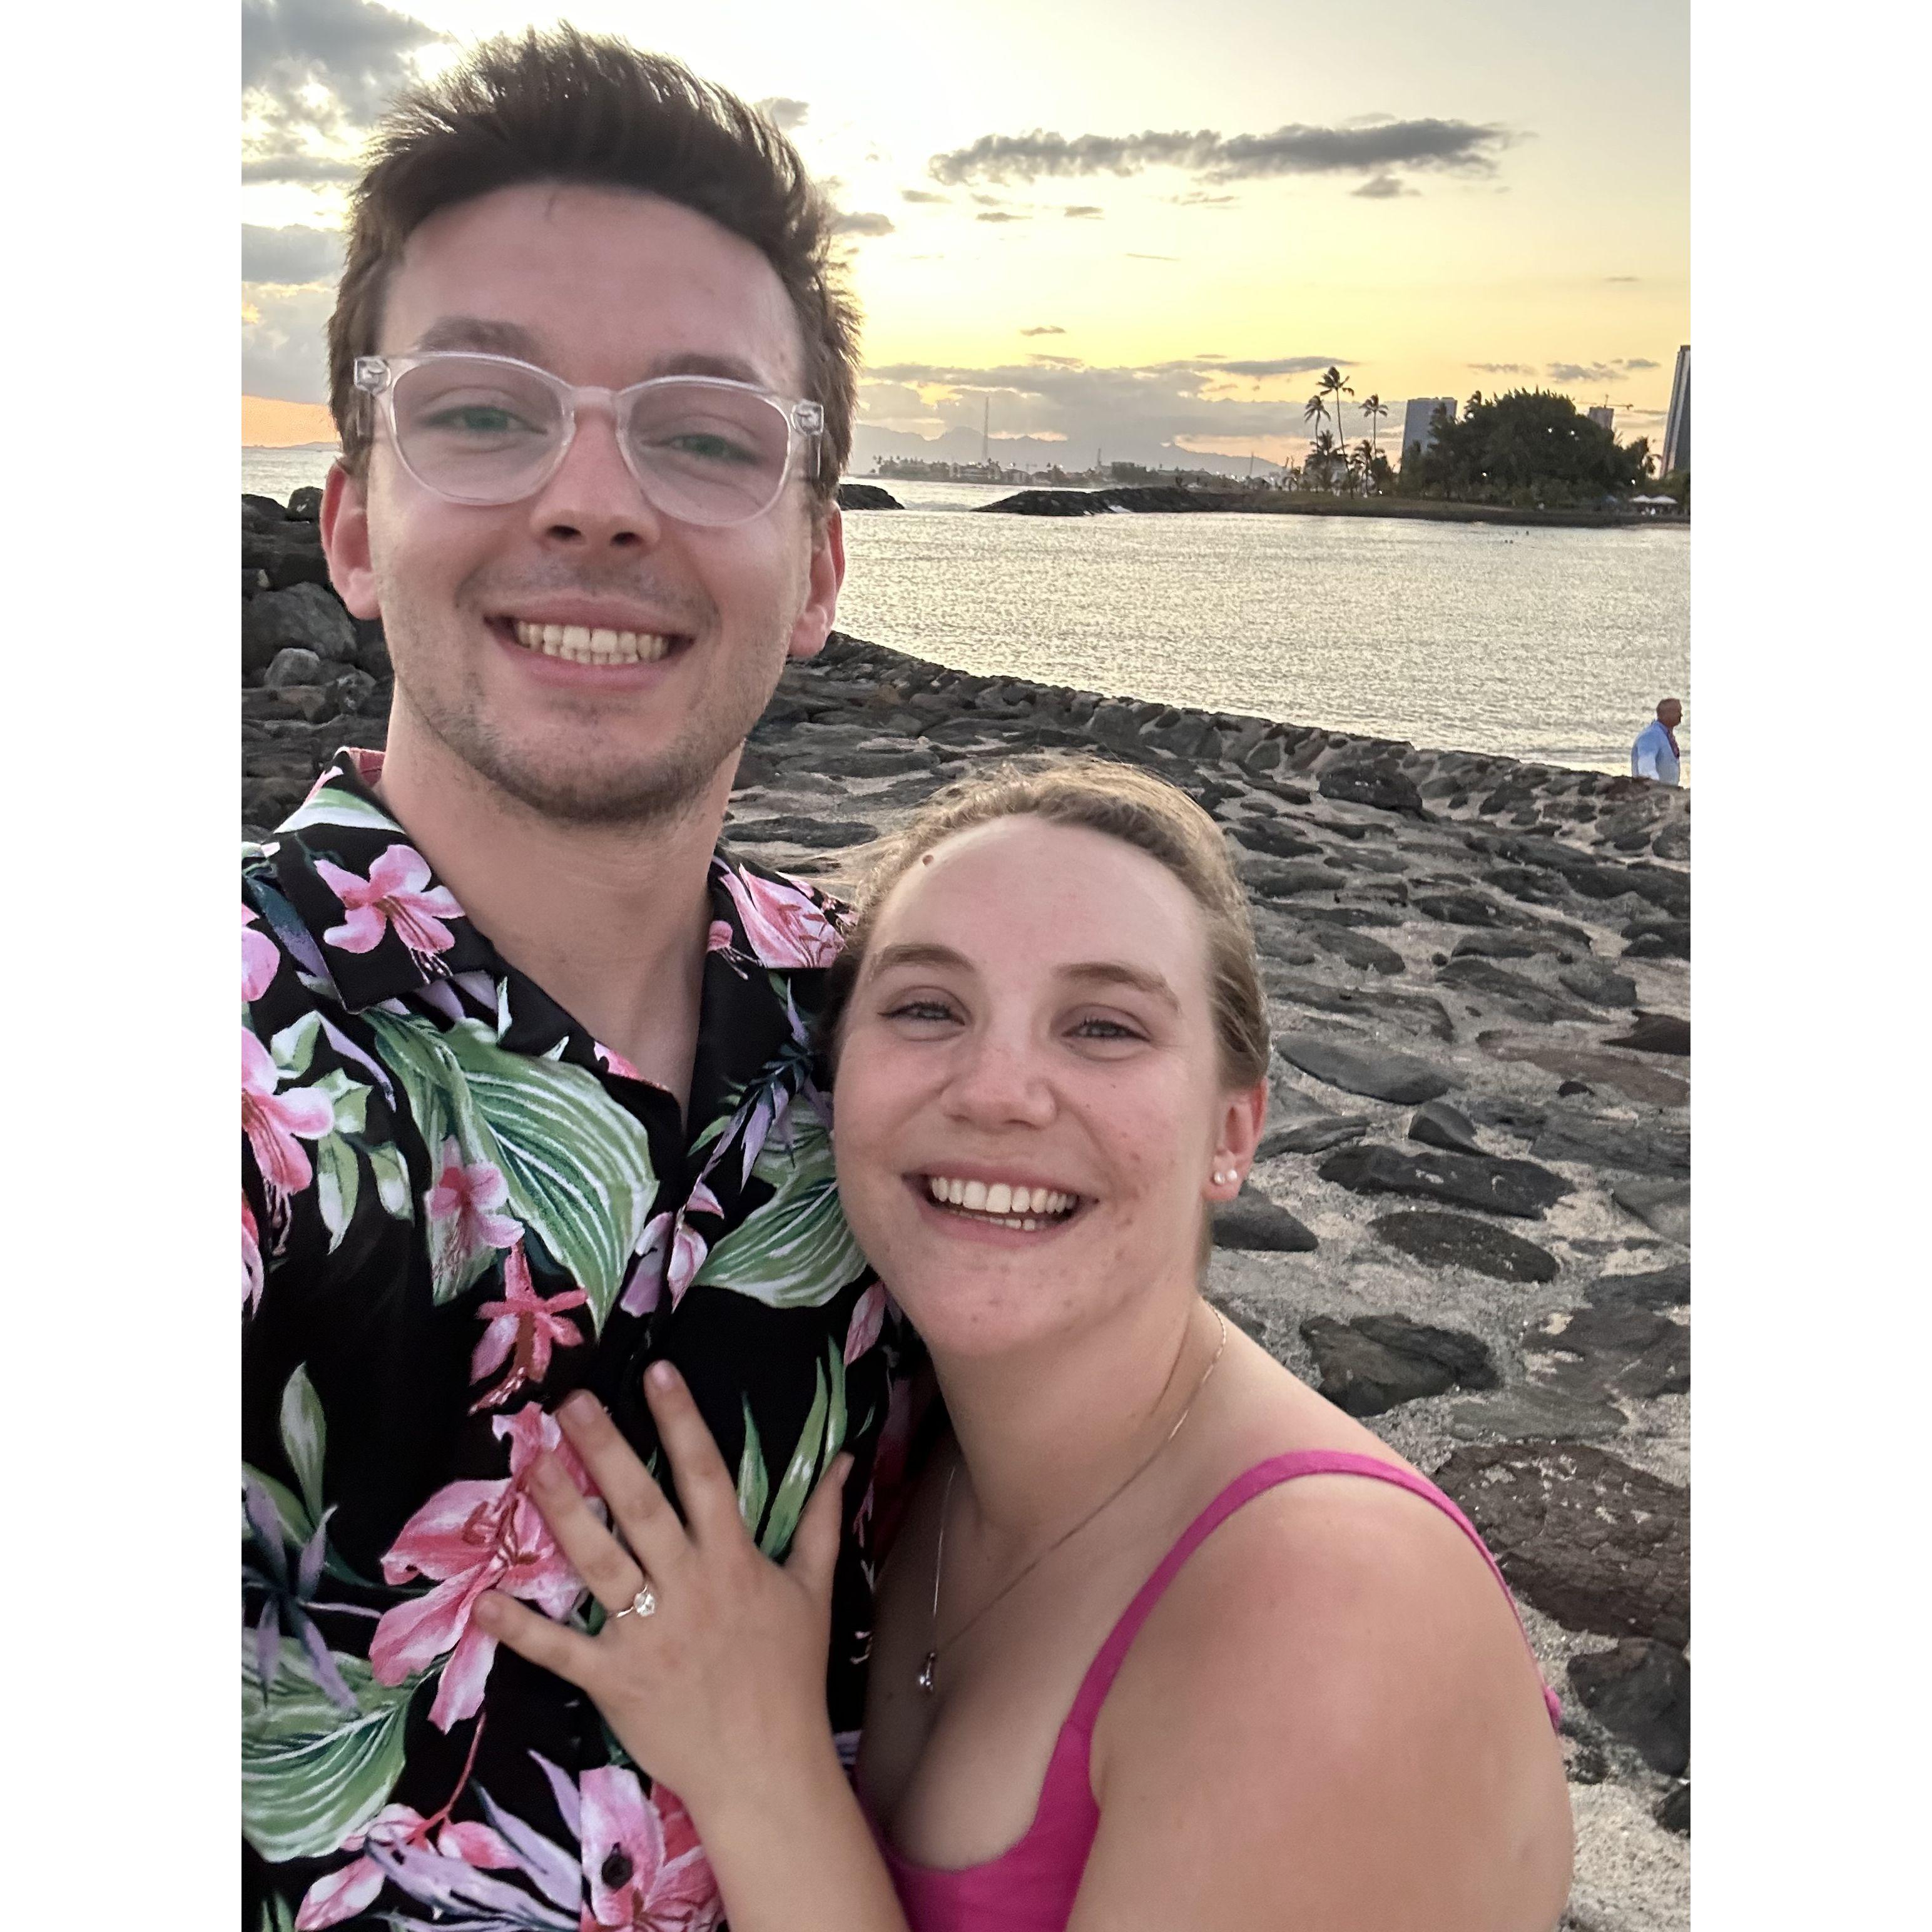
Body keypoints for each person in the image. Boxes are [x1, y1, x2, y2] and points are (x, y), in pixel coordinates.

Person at [477, 760, 1578, 1932]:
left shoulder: (1326, 1612)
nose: (999, 1090)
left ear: (1231, 1130)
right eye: (925, 1008)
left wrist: (758, 1769)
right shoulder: (903, 1451)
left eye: (1102, 1025)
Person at [242, 31, 914, 1930]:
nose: (596, 503)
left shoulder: (897, 1047)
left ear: (816, 570)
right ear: (356, 526)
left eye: (706, 436)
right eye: (482, 410)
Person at [1632, 697, 1684, 784]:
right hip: (1651, 794)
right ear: (1667, 714)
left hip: (1667, 792)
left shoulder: (1665, 735)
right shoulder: (1651, 735)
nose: (1681, 715)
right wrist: (1656, 789)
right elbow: (1646, 768)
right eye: (1678, 711)